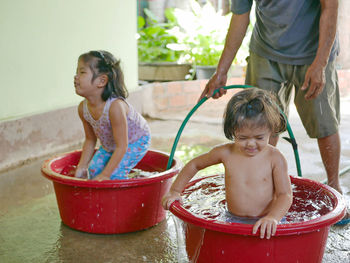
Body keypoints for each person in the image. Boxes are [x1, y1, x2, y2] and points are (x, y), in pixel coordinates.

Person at [199, 0, 349, 224]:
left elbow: (330, 7)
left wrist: (320, 63)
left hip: (312, 52)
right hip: (265, 51)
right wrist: (222, 71)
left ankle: (335, 184)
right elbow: (240, 17)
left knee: (323, 122)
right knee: (259, 123)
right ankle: (263, 188)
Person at [163, 88, 293, 239]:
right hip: (232, 219)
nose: (251, 144)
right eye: (243, 138)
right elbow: (194, 165)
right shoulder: (226, 153)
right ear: (232, 132)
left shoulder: (275, 158)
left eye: (259, 138)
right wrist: (175, 191)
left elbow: (285, 194)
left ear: (271, 131)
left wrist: (273, 218)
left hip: (265, 220)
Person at [73, 50, 151, 180]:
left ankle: (123, 194)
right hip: (111, 144)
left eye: (82, 72)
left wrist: (105, 174)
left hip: (135, 141)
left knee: (114, 175)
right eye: (76, 72)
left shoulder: (115, 107)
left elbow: (122, 146)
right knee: (93, 170)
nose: (76, 77)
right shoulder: (83, 108)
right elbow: (90, 139)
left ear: (102, 80)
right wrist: (82, 166)